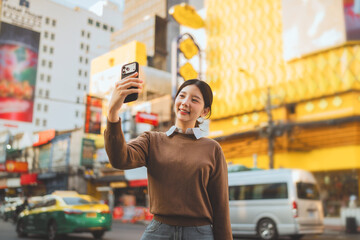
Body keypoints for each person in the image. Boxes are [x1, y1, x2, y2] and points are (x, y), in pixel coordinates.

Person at [105, 72, 233, 240]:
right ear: (175, 100)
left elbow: (220, 205)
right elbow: (119, 159)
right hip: (158, 231)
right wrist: (112, 113)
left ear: (204, 111)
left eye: (194, 100)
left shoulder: (212, 149)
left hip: (199, 233)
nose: (185, 103)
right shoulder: (151, 140)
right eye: (182, 96)